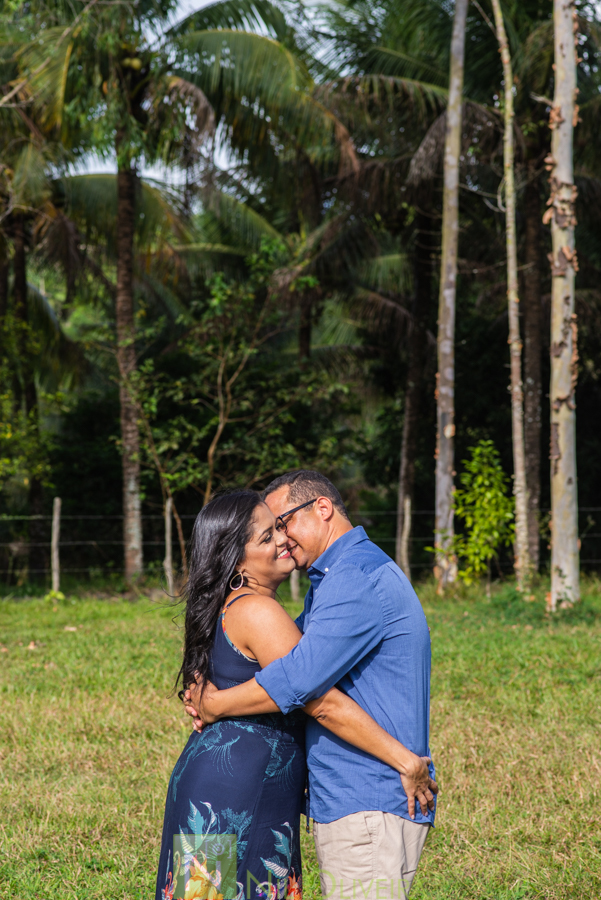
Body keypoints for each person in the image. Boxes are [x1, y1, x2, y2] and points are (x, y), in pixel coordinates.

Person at [157, 490, 436, 900]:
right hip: (241, 792)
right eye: (267, 537)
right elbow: (318, 701)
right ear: (236, 559)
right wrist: (404, 758)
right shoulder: (259, 612)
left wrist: (213, 703)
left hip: (215, 786)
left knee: (201, 895)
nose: (282, 541)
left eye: (280, 529)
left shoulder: (230, 606)